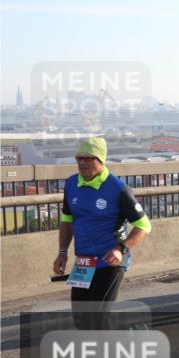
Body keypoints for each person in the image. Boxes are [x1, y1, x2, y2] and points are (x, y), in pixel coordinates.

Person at [54, 137, 151, 330]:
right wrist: (62, 252)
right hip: (83, 262)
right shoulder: (71, 184)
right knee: (82, 322)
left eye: (88, 158)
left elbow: (144, 225)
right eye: (79, 158)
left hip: (110, 261)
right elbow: (67, 220)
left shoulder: (118, 189)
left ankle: (135, 333)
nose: (82, 162)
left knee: (97, 319)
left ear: (101, 160)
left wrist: (121, 249)